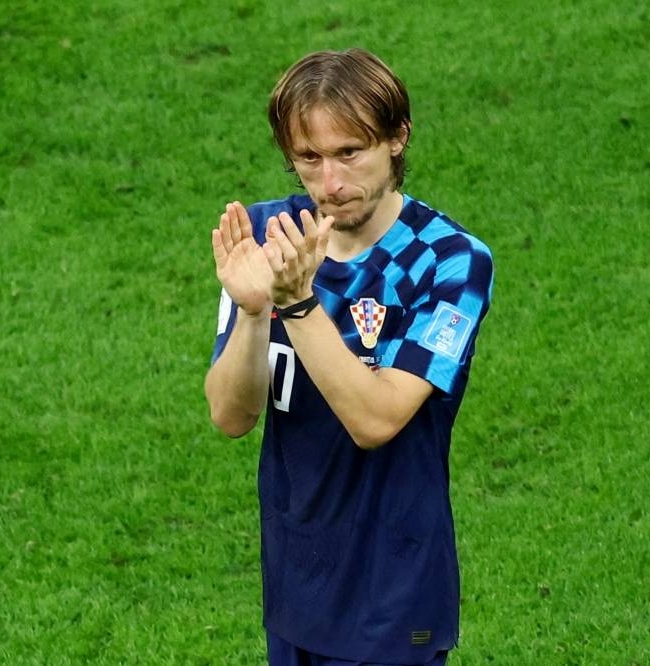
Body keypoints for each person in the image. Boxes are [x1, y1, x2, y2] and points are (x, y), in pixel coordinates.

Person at [205, 48, 493, 666]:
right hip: (295, 580)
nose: (329, 183)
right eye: (309, 158)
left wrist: (297, 305)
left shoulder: (448, 262)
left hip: (396, 591)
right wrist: (255, 312)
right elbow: (230, 417)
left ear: (397, 137)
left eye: (349, 153)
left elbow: (376, 420)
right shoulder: (268, 235)